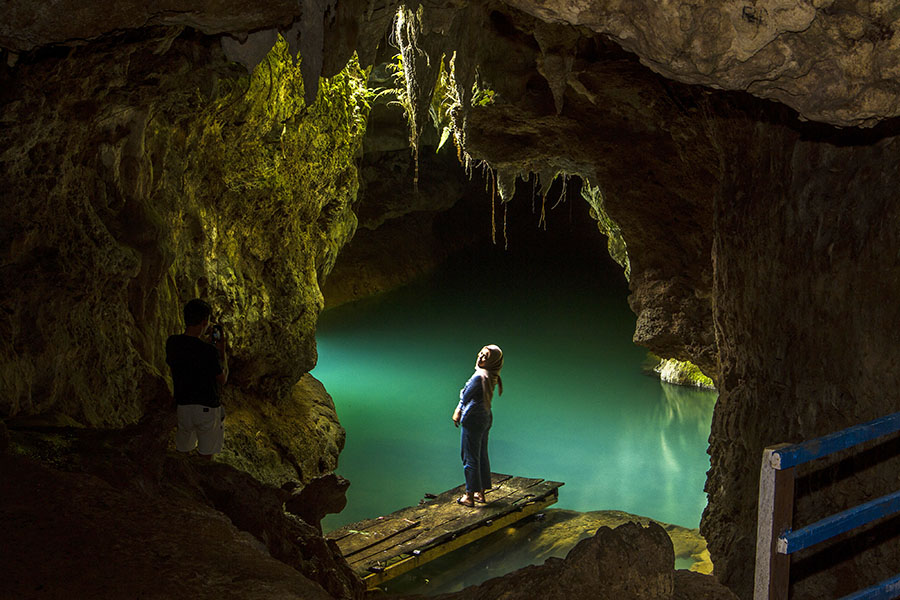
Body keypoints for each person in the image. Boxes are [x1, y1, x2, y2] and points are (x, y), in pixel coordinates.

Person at [165, 298, 228, 458]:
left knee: (182, 453)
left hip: (183, 407)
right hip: (207, 407)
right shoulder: (209, 351)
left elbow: (185, 358)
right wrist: (221, 352)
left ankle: (181, 480)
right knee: (206, 456)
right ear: (204, 322)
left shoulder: (172, 343)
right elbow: (222, 379)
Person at [452, 344, 503, 507]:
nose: (480, 357)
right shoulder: (492, 374)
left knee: (469, 457)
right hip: (486, 416)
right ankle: (480, 492)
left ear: (492, 361)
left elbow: (466, 395)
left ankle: (469, 496)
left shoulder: (479, 376)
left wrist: (458, 409)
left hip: (473, 417)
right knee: (481, 455)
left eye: (485, 356)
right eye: (481, 354)